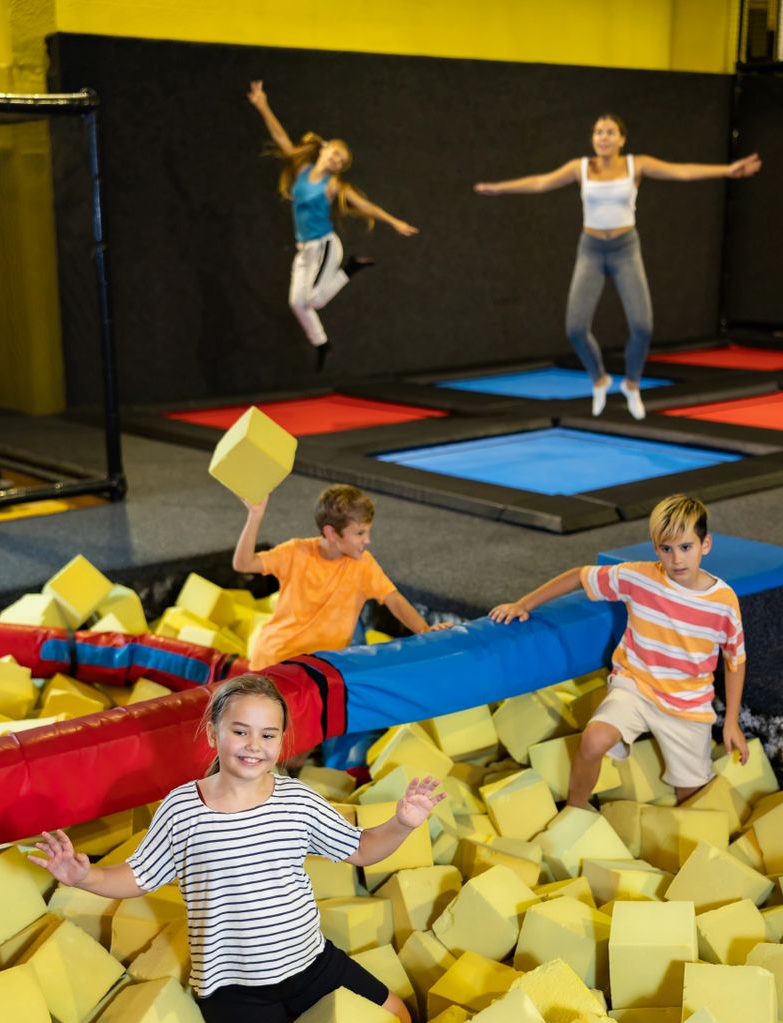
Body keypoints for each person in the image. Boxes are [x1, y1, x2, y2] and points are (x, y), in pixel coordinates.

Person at [28, 673, 444, 1023]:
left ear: (282, 741)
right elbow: (139, 877)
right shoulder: (182, 809)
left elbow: (362, 849)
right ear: (213, 734)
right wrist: (84, 876)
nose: (253, 745)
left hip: (310, 963)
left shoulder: (297, 800)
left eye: (268, 735)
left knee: (400, 1020)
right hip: (234, 990)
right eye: (240, 731)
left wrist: (402, 823)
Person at [474, 115, 762, 419]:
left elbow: (682, 172)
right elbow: (541, 182)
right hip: (592, 250)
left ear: (622, 139)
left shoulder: (636, 165)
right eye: (598, 132)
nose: (603, 137)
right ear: (593, 139)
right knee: (575, 328)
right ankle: (599, 379)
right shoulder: (580, 168)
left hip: (625, 249)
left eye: (610, 132)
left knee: (642, 327)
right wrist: (500, 188)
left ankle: (632, 384)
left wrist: (728, 170)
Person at [489, 494, 748, 809]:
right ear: (656, 549)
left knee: (691, 796)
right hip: (636, 685)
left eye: (685, 547)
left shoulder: (723, 601)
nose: (677, 559)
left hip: (688, 704)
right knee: (593, 740)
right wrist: (523, 604)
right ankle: (575, 808)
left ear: (705, 544)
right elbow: (578, 576)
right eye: (666, 549)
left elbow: (735, 661)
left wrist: (731, 720)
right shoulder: (639, 577)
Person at [247, 80, 419, 370]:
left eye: (343, 162)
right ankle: (322, 344)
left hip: (325, 245)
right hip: (305, 250)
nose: (339, 161)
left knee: (315, 301)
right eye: (337, 154)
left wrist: (393, 221)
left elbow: (365, 205)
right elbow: (280, 138)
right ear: (324, 151)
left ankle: (350, 267)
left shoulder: (334, 185)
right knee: (296, 303)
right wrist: (263, 105)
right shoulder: (301, 170)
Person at [233, 482, 451, 670]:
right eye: (359, 533)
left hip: (321, 665)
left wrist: (425, 630)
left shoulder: (363, 564)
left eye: (367, 531)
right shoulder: (295, 552)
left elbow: (394, 599)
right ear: (331, 533)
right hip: (278, 660)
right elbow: (243, 564)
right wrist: (255, 516)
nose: (368, 540)